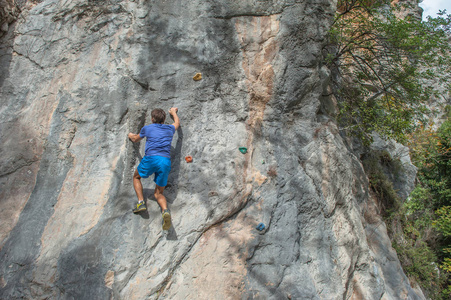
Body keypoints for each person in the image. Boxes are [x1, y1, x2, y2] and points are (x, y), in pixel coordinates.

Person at [128, 107, 180, 230]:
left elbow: (135, 139)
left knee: (136, 177)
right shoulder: (169, 129)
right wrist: (173, 113)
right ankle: (165, 211)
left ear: (152, 119)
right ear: (164, 119)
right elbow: (177, 123)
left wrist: (130, 135)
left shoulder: (148, 128)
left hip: (151, 158)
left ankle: (141, 202)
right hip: (165, 161)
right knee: (159, 193)